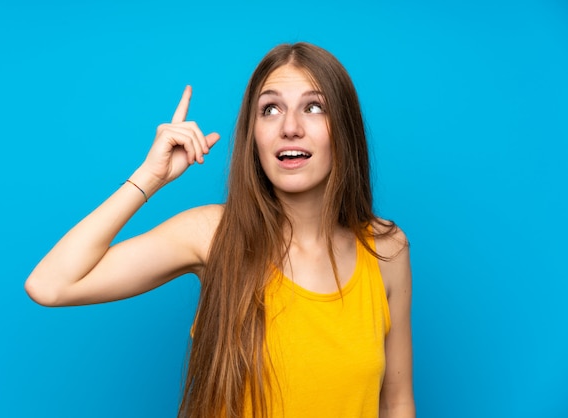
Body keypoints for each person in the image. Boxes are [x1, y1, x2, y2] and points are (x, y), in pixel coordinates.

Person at [25, 42, 415, 418]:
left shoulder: (386, 250)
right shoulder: (212, 234)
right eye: (271, 110)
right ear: (253, 135)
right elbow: (51, 284)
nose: (290, 127)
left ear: (343, 129)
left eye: (314, 107)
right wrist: (150, 176)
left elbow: (395, 404)